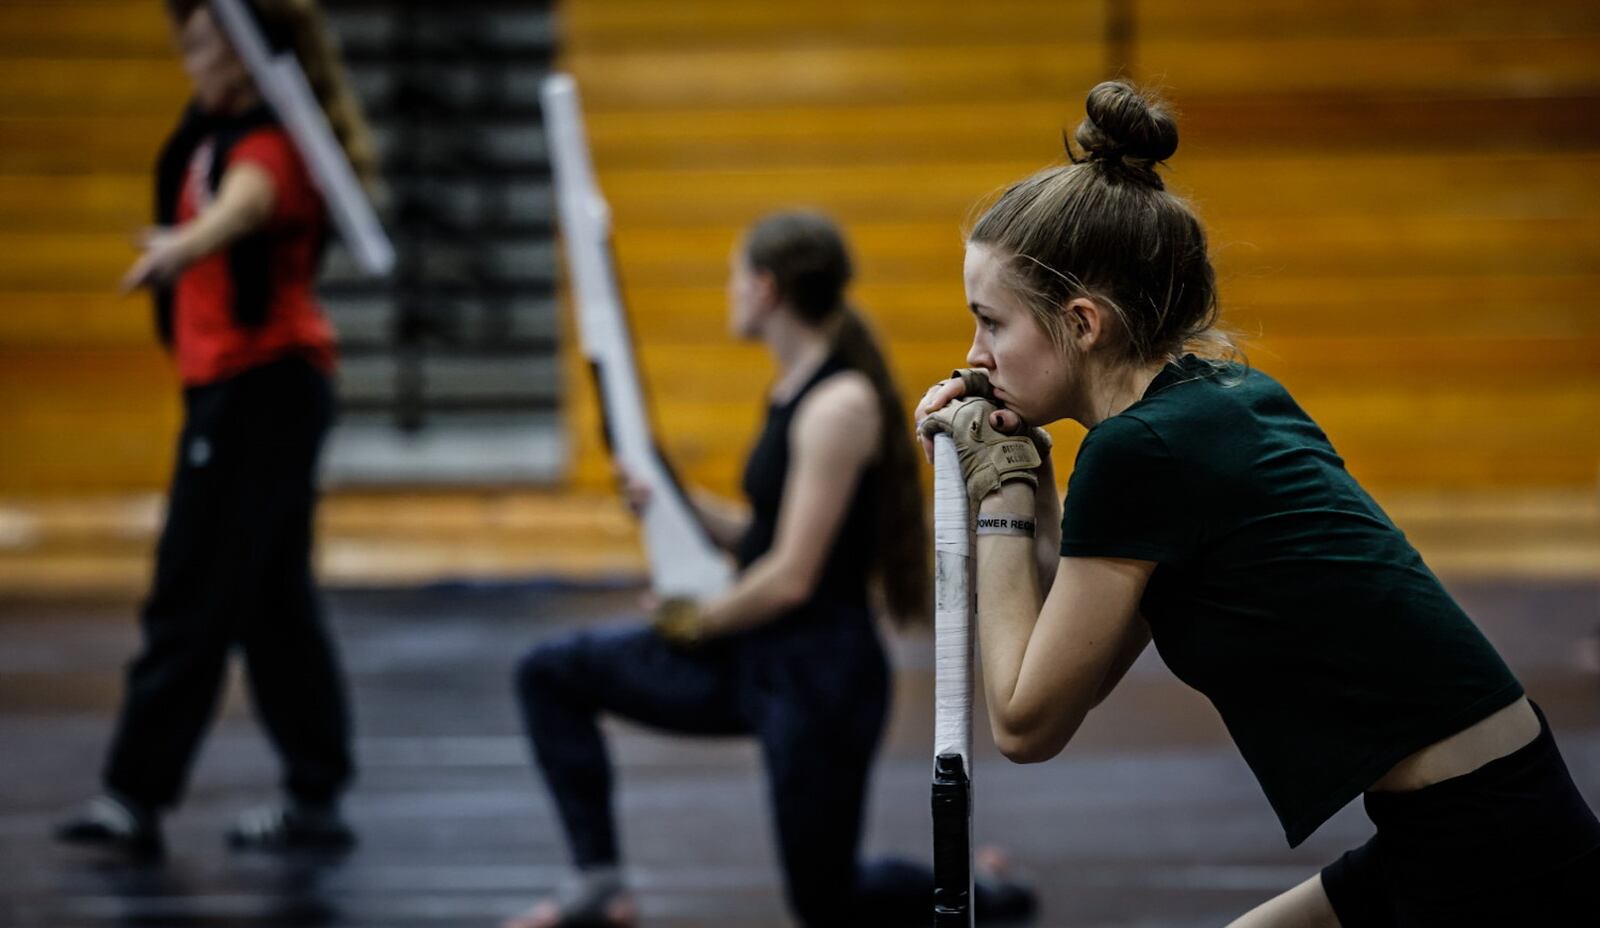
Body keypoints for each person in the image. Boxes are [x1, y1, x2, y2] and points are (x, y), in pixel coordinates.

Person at [916, 81, 1600, 927]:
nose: (975, 354)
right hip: (1484, 815)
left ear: (1083, 324)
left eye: (992, 322)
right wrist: (1023, 480)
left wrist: (1001, 490)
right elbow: (1071, 667)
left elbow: (1026, 721)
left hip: (1486, 851)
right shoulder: (1225, 397)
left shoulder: (1142, 451)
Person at [508, 211, 1033, 927]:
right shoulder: (794, 389)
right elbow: (764, 534)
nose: (730, 292)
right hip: (758, 658)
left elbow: (791, 575)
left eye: (734, 278)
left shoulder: (837, 406)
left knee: (827, 901)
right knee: (551, 671)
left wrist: (691, 619)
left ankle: (987, 895)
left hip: (820, 677)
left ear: (764, 288)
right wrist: (672, 503)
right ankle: (600, 884)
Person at [54, 0, 377, 856]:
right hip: (243, 393)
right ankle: (317, 796)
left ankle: (133, 797)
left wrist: (189, 244)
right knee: (272, 605)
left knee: (190, 593)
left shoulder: (272, 145)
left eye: (202, 45)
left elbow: (249, 201)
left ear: (244, 58)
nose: (188, 60)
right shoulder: (208, 128)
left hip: (260, 393)